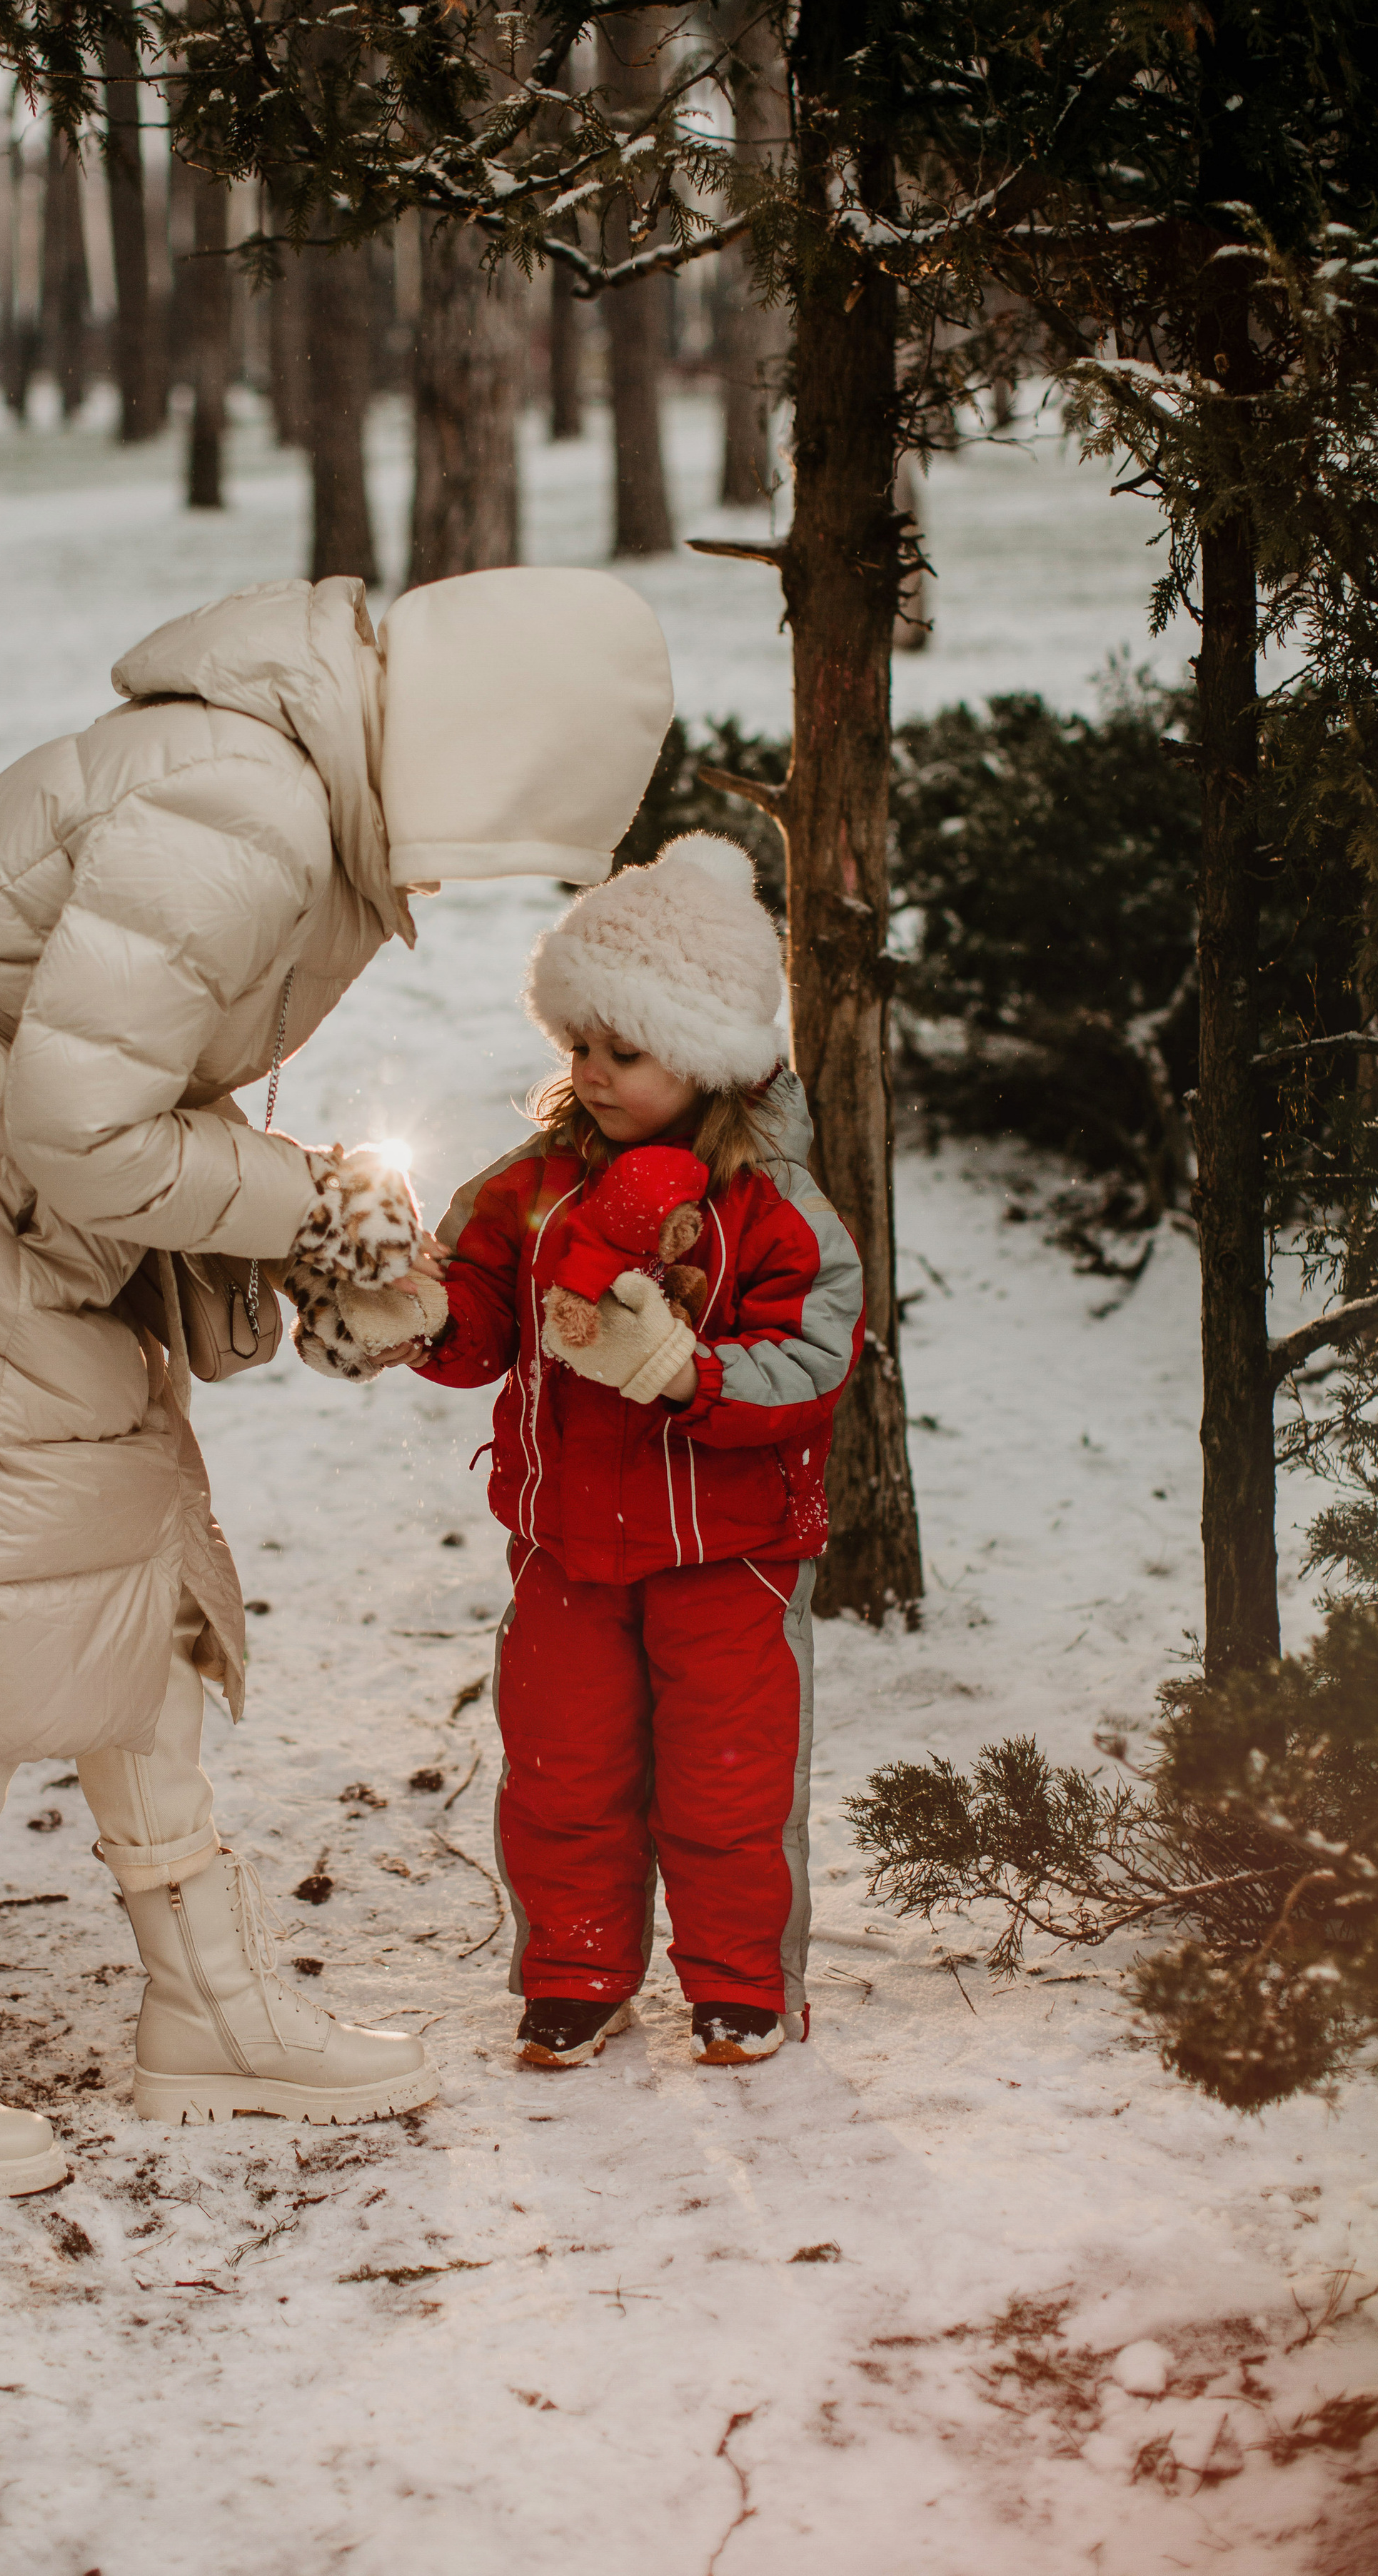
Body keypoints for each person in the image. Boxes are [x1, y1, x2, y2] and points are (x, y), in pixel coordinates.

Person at [0, 569, 674, 2196]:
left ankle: (203, 1999)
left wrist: (289, 1239)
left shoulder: (291, 779)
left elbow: (112, 1096)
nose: (468, 875)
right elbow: (89, 1131)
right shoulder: (246, 803)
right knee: (8, 1590)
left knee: (118, 1564)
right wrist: (306, 1202)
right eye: (502, 829)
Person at [383, 835, 862, 2068]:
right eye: (578, 1047)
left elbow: (812, 1367)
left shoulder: (777, 1211)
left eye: (624, 1051)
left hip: (729, 1559)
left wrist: (685, 1375)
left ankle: (742, 1983)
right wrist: (421, 1312)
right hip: (566, 1556)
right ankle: (578, 1969)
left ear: (702, 1055)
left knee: (729, 1784)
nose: (591, 1074)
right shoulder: (532, 1188)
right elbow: (481, 1318)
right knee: (561, 1773)